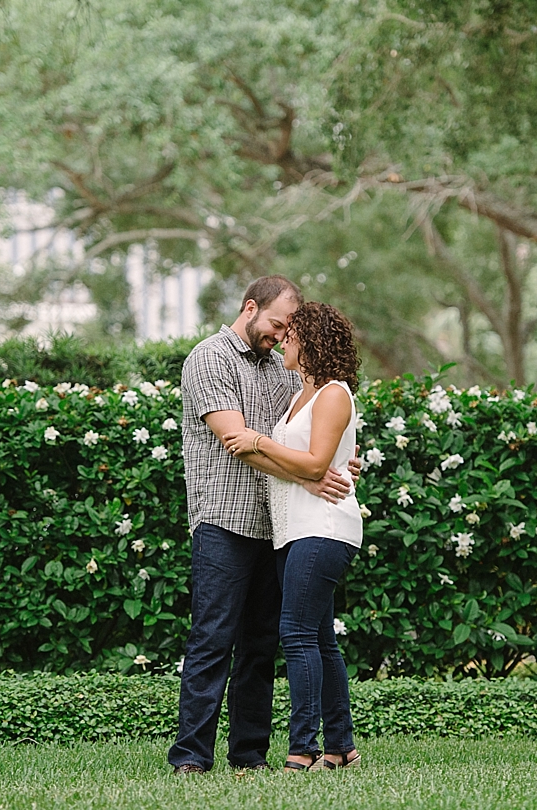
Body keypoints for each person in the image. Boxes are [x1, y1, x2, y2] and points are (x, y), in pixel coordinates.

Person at [168, 277, 359, 775]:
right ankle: (191, 757)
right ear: (250, 308)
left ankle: (248, 756)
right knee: (213, 639)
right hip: (224, 520)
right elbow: (236, 439)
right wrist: (313, 476)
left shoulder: (282, 370)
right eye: (275, 324)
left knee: (260, 645)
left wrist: (333, 463)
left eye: (287, 329)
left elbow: (302, 438)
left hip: (278, 527)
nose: (280, 335)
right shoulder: (210, 358)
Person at [221, 301, 364, 772]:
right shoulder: (302, 393)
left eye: (292, 334)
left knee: (297, 635)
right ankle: (341, 748)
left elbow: (317, 464)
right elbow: (301, 461)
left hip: (322, 528)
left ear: (312, 341)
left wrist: (257, 440)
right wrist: (264, 448)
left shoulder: (333, 394)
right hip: (294, 530)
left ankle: (302, 750)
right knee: (320, 640)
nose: (283, 339)